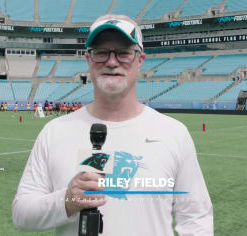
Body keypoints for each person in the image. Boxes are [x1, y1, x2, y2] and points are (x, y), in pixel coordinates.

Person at [12, 14, 213, 236]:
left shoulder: (173, 133)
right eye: (101, 52)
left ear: (140, 60)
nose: (111, 61)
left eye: (124, 52)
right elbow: (22, 213)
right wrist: (66, 200)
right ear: (88, 60)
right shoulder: (55, 131)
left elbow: (196, 217)